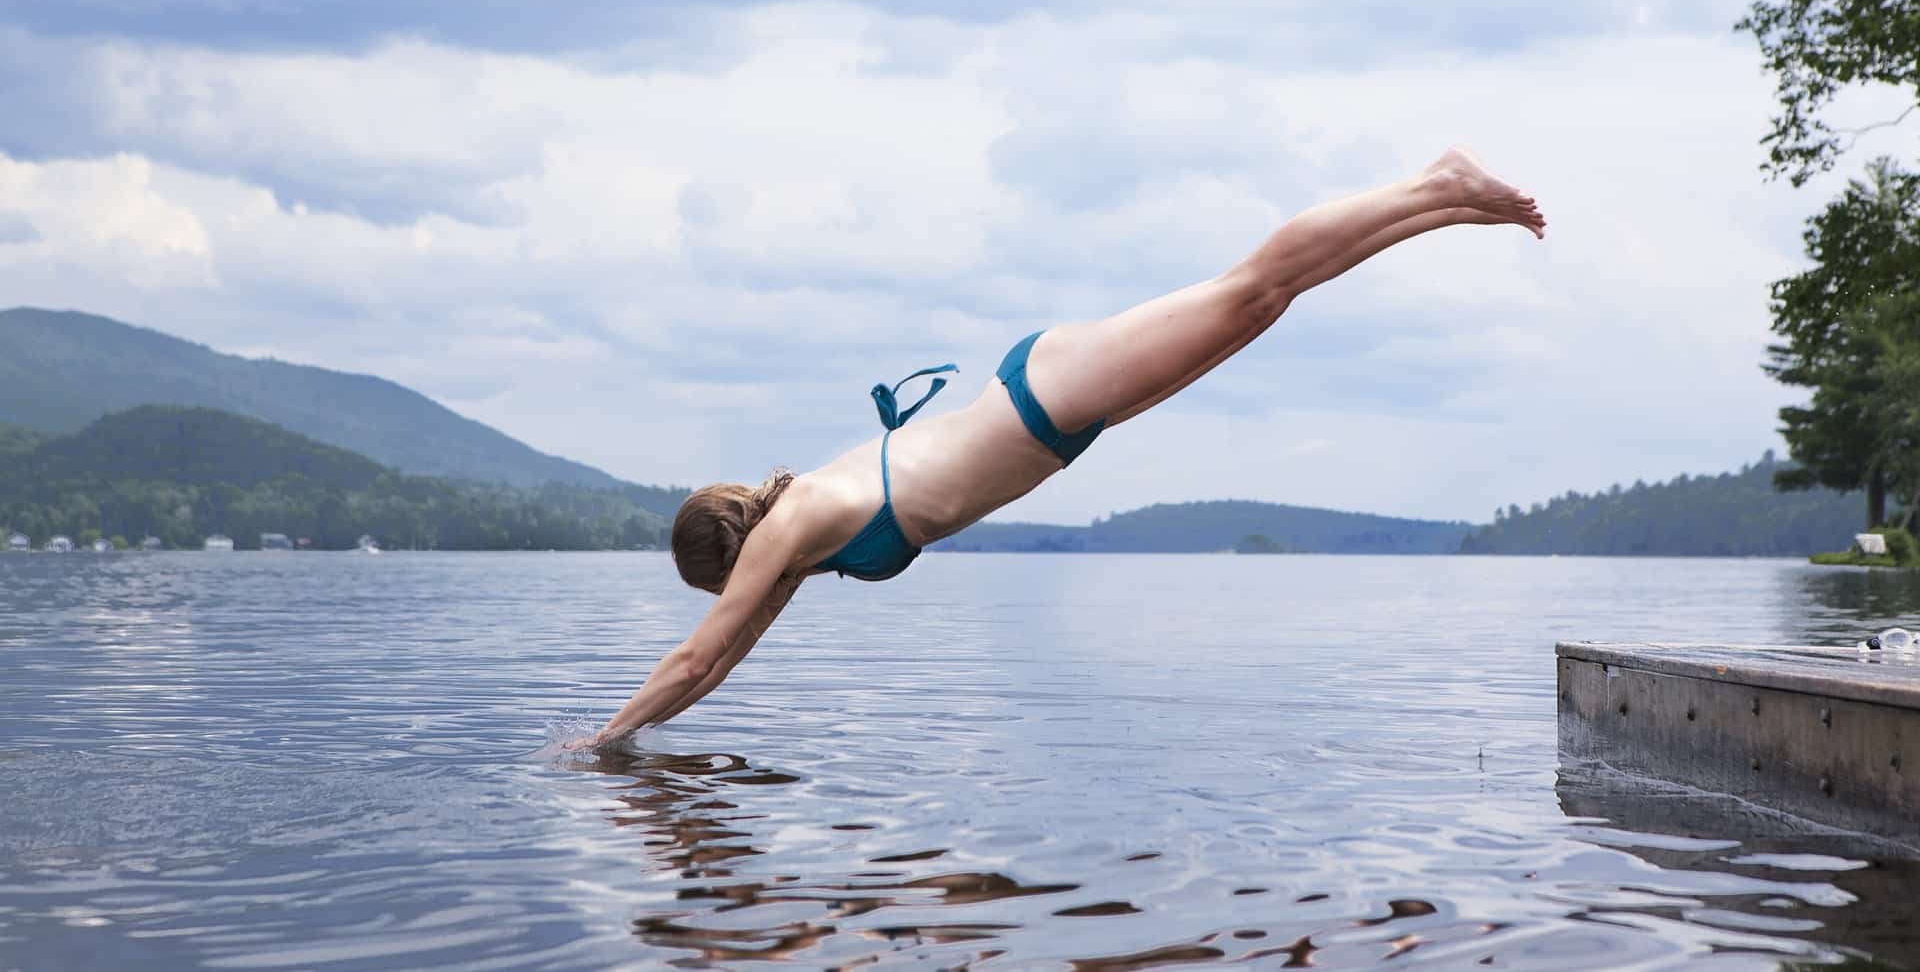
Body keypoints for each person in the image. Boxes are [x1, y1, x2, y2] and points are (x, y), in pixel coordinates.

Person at [571, 148, 1544, 749]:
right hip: (1059, 415)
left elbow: (696, 658)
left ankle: (1436, 183)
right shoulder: (794, 536)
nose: (733, 601)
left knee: (1250, 287)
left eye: (722, 584)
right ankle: (1448, 205)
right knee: (1263, 308)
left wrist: (595, 742)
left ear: (730, 556)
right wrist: (632, 748)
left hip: (1045, 395)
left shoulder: (792, 525)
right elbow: (726, 657)